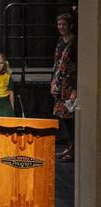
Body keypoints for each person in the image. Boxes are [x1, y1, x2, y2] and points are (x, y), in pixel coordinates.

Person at [51, 13, 77, 161]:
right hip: (60, 84)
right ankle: (69, 147)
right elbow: (56, 63)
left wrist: (75, 89)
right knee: (64, 119)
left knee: (71, 118)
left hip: (69, 85)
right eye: (59, 24)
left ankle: (74, 149)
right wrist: (53, 82)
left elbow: (76, 67)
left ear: (70, 25)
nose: (61, 27)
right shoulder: (60, 41)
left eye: (64, 24)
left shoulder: (75, 42)